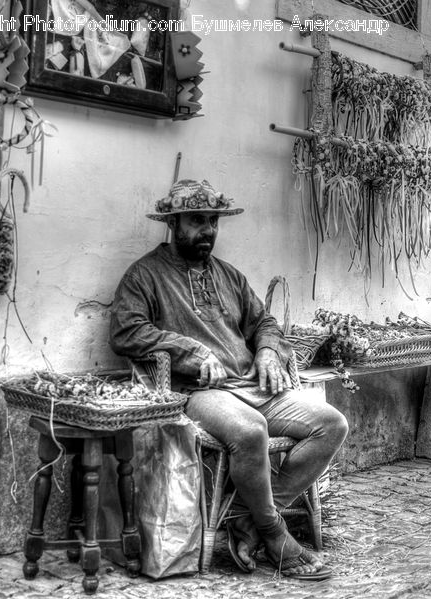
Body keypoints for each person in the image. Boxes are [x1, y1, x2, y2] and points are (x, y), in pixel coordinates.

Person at [109, 179, 348, 580]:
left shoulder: (228, 276)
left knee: (331, 424)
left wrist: (269, 350)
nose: (207, 230)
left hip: (253, 386)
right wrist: (188, 349)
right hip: (199, 393)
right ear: (174, 224)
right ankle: (274, 534)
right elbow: (125, 332)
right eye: (197, 220)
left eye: (213, 221)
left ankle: (248, 520)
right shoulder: (145, 275)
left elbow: (264, 322)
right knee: (250, 431)